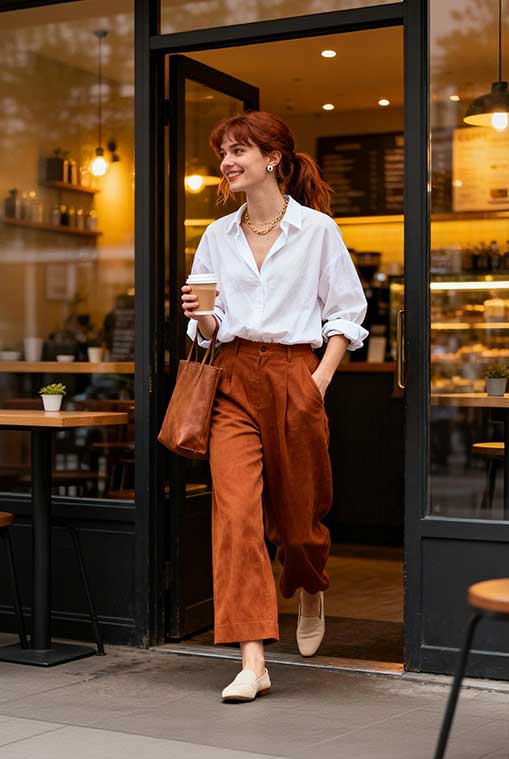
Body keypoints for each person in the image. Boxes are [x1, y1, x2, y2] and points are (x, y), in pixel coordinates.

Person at [181, 111, 368, 702]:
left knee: (300, 517)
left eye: (239, 150)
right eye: (223, 154)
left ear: (272, 159)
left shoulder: (317, 231)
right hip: (232, 377)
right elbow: (209, 330)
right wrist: (202, 316)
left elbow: (346, 313)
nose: (228, 163)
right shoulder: (217, 236)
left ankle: (309, 583)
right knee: (235, 516)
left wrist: (317, 381)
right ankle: (253, 657)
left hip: (294, 375)